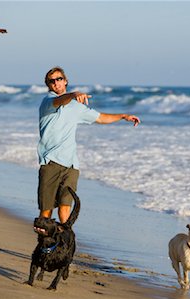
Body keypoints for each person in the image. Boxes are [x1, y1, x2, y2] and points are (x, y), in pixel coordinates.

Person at [34, 66, 140, 234]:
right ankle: (45, 247)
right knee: (46, 212)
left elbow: (100, 118)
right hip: (51, 162)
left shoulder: (77, 107)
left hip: (71, 164)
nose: (56, 83)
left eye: (59, 79)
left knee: (65, 207)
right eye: (52, 81)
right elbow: (60, 101)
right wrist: (74, 94)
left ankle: (65, 242)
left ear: (65, 80)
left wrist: (122, 116)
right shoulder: (48, 102)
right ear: (48, 85)